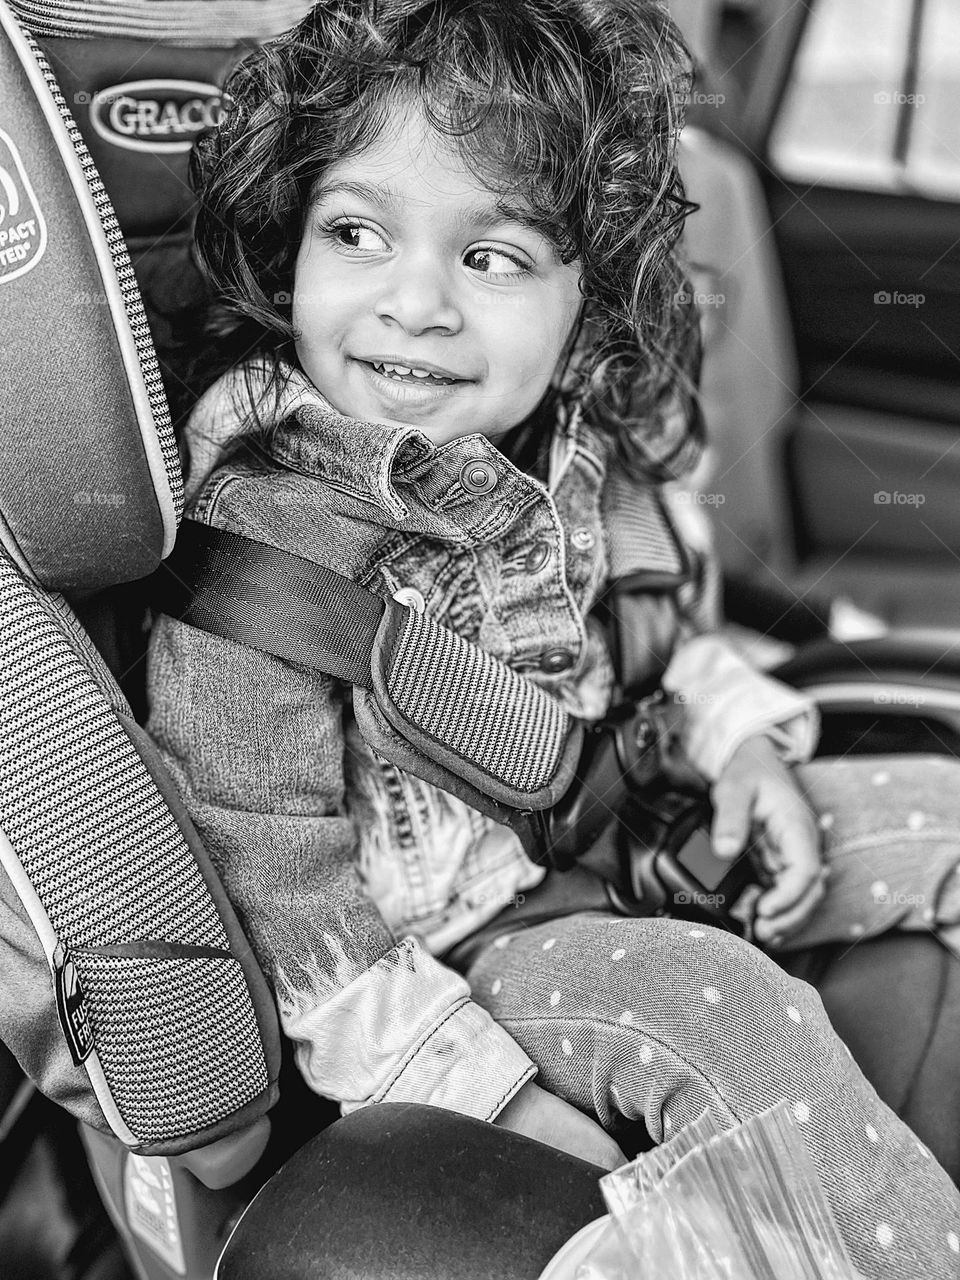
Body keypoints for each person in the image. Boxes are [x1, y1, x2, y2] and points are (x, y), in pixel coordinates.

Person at [144, 0, 960, 1274]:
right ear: (288, 245)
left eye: (494, 257)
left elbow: (658, 640)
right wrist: (487, 1093)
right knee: (738, 1010)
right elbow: (275, 887)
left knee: (944, 806)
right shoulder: (271, 539)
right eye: (357, 231)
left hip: (631, 825)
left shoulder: (577, 455)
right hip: (464, 960)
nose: (415, 303)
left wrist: (745, 747)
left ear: (587, 304)